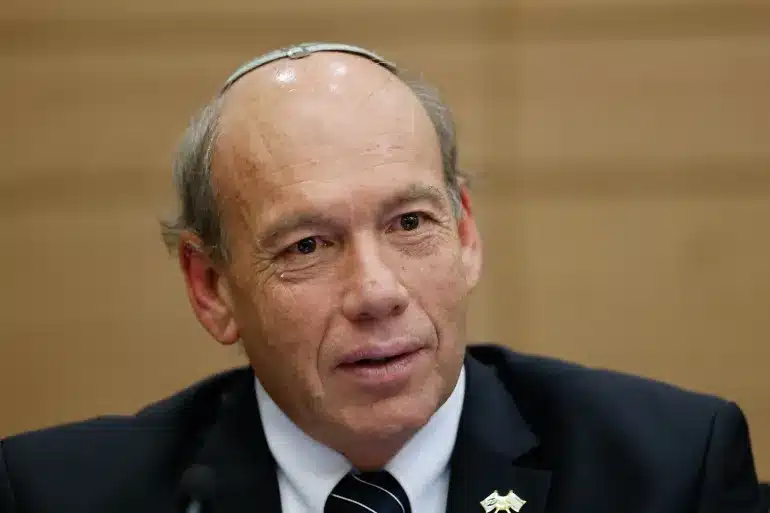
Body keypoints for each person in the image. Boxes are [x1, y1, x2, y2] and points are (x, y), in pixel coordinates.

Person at [0, 42, 763, 513]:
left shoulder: (667, 472)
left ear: (465, 233)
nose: (376, 292)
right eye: (307, 245)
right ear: (211, 287)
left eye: (409, 223)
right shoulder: (53, 494)